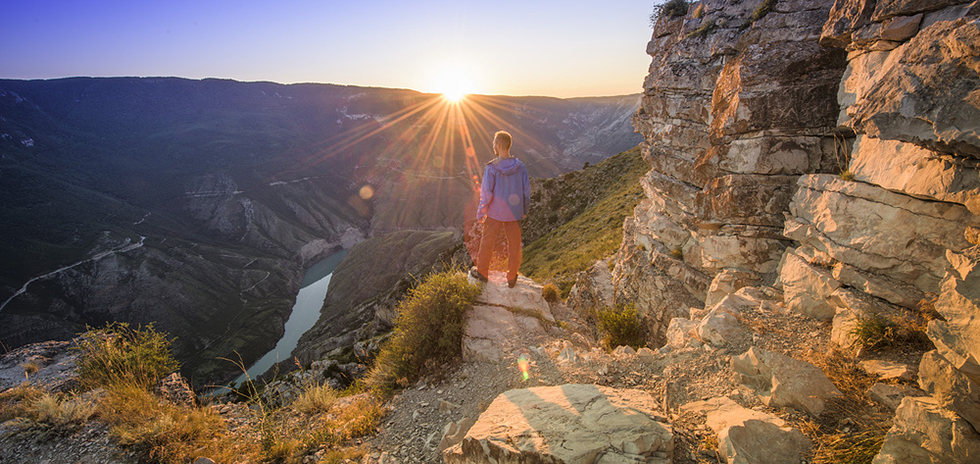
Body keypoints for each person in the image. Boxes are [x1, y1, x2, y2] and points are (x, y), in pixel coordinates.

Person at [471, 131, 530, 288]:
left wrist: (481, 212)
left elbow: (486, 193)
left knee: (487, 241)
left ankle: (483, 273)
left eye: (494, 144)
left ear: (497, 145)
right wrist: (524, 209)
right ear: (509, 145)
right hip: (515, 212)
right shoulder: (521, 167)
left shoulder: (492, 168)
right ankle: (511, 277)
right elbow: (526, 191)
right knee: (514, 244)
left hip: (495, 213)